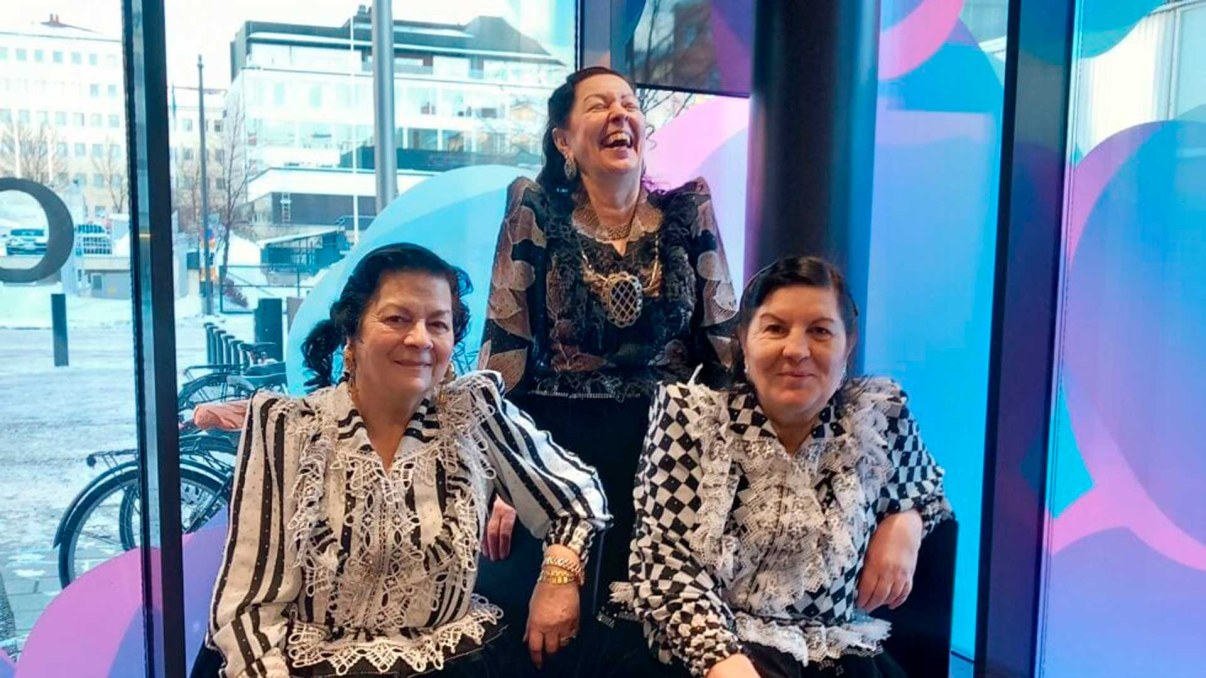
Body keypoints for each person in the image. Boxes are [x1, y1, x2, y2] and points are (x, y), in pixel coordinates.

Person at [207, 243, 610, 677]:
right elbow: (247, 607)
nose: (419, 339)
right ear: (352, 334)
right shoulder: (289, 428)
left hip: (456, 664)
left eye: (438, 324)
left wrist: (559, 576)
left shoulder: (474, 414)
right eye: (397, 319)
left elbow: (577, 494)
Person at [475, 65, 739, 673]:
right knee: (558, 641)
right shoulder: (534, 210)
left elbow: (726, 348)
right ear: (565, 140)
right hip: (561, 456)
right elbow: (504, 345)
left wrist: (736, 472)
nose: (620, 114)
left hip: (672, 456)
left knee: (659, 636)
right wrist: (505, 480)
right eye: (598, 106)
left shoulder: (689, 210)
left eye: (629, 103)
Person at [620, 256, 953, 678]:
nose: (796, 350)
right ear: (743, 338)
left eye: (820, 331)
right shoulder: (691, 419)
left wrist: (907, 523)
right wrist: (724, 662)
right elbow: (665, 561)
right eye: (775, 328)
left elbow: (928, 490)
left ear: (847, 344)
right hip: (707, 650)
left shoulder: (878, 419)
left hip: (835, 654)